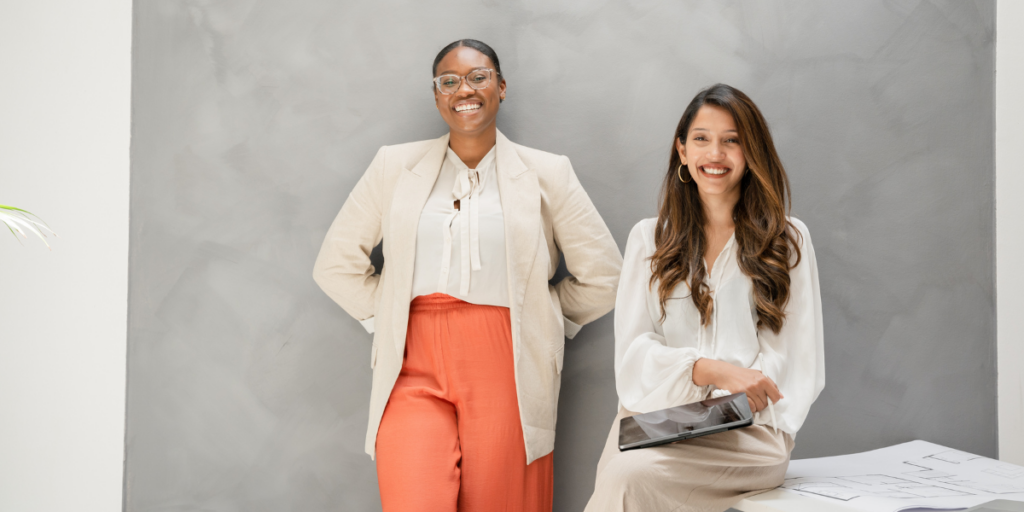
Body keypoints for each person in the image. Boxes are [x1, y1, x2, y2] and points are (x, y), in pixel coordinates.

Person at [313, 39, 622, 512]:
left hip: (508, 359)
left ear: (501, 86)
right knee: (414, 497)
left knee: (503, 502)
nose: (465, 90)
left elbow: (604, 275)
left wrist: (542, 317)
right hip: (410, 361)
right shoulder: (394, 166)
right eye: (449, 81)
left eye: (478, 77)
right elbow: (336, 265)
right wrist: (391, 315)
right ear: (436, 94)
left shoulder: (547, 173)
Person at [584, 84, 824, 512]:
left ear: (751, 152)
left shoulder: (787, 240)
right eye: (701, 139)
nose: (715, 154)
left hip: (749, 434)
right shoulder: (648, 239)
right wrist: (708, 371)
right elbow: (633, 356)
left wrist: (739, 397)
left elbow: (798, 358)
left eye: (732, 140)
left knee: (629, 478)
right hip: (658, 420)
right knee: (625, 472)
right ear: (681, 151)